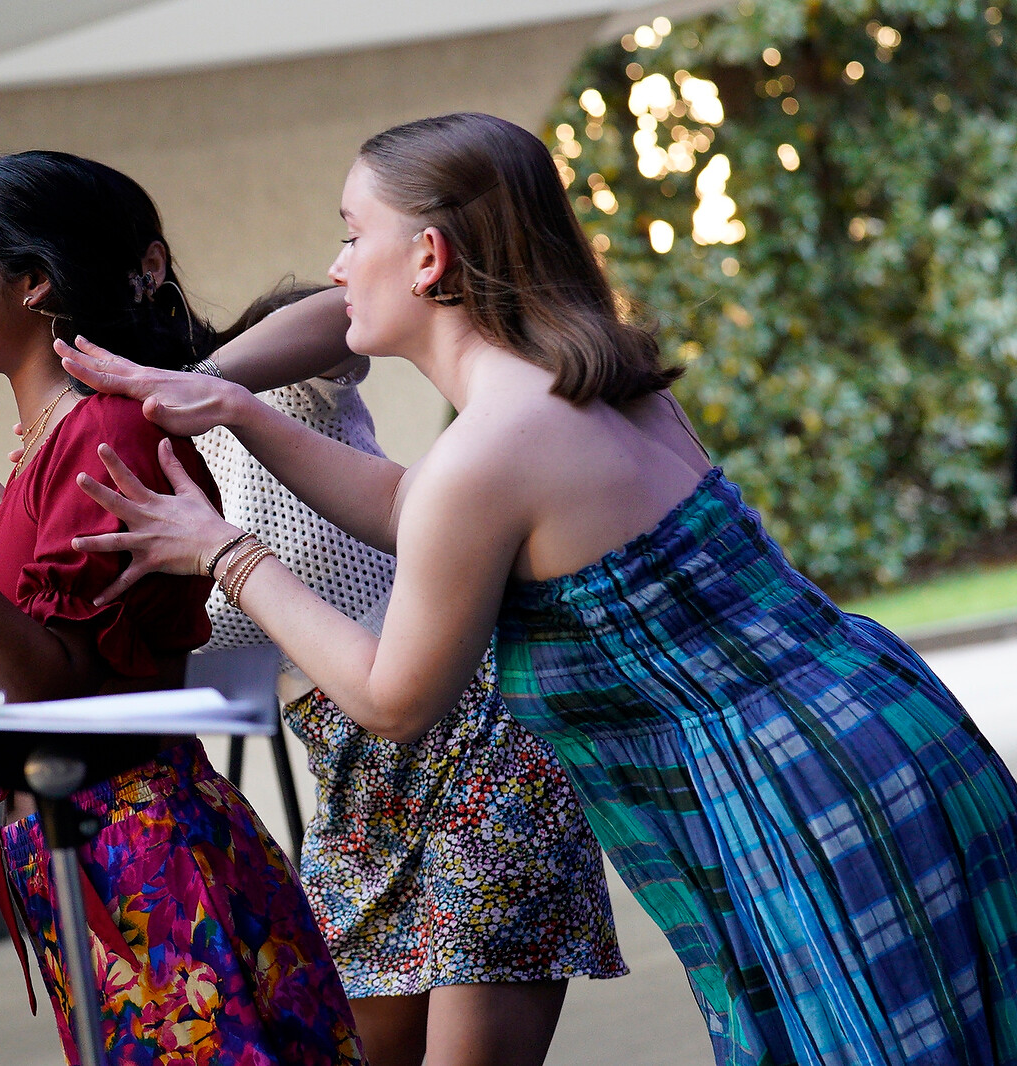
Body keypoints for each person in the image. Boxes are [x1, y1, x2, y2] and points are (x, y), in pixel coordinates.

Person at [55, 113, 1017, 1066]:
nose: (340, 266)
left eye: (354, 235)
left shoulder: (494, 448)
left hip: (796, 797)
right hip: (868, 734)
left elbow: (394, 699)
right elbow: (411, 508)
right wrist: (222, 402)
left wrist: (227, 553)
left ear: (429, 256)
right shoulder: (584, 377)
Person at [0, 150, 362, 1066]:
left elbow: (36, 690)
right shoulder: (46, 451)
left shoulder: (109, 429)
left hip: (143, 853)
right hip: (76, 860)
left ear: (35, 282)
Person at [191, 284, 624, 1066]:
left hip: (480, 745)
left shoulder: (269, 377)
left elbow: (343, 310)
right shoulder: (127, 486)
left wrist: (202, 381)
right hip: (354, 793)